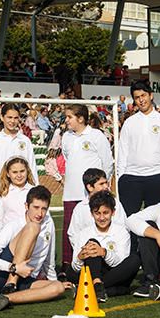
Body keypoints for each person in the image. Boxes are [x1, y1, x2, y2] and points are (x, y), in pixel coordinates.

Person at [0, 185, 67, 310]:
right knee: (33, 227)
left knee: (58, 287)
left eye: (44, 209)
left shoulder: (49, 223)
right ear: (26, 206)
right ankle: (11, 283)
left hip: (26, 277)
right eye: (35, 207)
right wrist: (14, 268)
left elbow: (49, 260)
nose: (40, 213)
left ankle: (5, 298)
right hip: (4, 275)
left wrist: (53, 279)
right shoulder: (13, 225)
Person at [60, 103, 113, 270]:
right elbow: (68, 158)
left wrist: (102, 186)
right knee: (70, 229)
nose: (66, 120)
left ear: (81, 118)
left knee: (94, 226)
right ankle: (68, 265)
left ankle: (96, 263)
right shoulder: (66, 137)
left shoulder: (96, 136)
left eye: (69, 117)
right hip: (71, 192)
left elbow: (107, 163)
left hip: (92, 194)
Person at [117, 80, 160, 219]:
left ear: (151, 96)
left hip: (158, 177)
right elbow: (122, 152)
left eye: (143, 95)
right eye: (137, 97)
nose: (141, 100)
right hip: (132, 178)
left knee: (156, 222)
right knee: (128, 221)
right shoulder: (129, 122)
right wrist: (121, 178)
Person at [68, 191, 140, 301]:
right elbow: (75, 267)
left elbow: (120, 262)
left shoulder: (121, 231)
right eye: (97, 213)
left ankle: (90, 289)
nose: (101, 218)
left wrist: (104, 252)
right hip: (92, 271)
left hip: (115, 273)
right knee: (92, 243)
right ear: (92, 213)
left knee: (135, 259)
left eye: (105, 213)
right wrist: (80, 257)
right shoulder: (84, 233)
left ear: (113, 212)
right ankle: (103, 288)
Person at [67, 167, 127, 256]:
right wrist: (84, 250)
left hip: (112, 252)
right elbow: (73, 233)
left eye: (106, 183)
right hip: (90, 253)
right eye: (101, 184)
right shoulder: (80, 208)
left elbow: (123, 226)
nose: (106, 186)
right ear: (90, 187)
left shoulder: (115, 203)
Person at [0, 103, 38, 194]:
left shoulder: (25, 141)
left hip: (22, 192)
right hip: (2, 191)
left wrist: (35, 191)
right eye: (9, 117)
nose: (12, 121)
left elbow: (32, 167)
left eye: (16, 118)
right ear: (2, 117)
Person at [0, 156, 38, 241]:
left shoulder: (35, 191)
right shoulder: (4, 194)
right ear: (8, 174)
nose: (19, 175)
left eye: (22, 171)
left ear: (27, 171)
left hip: (30, 239)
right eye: (15, 172)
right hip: (9, 240)